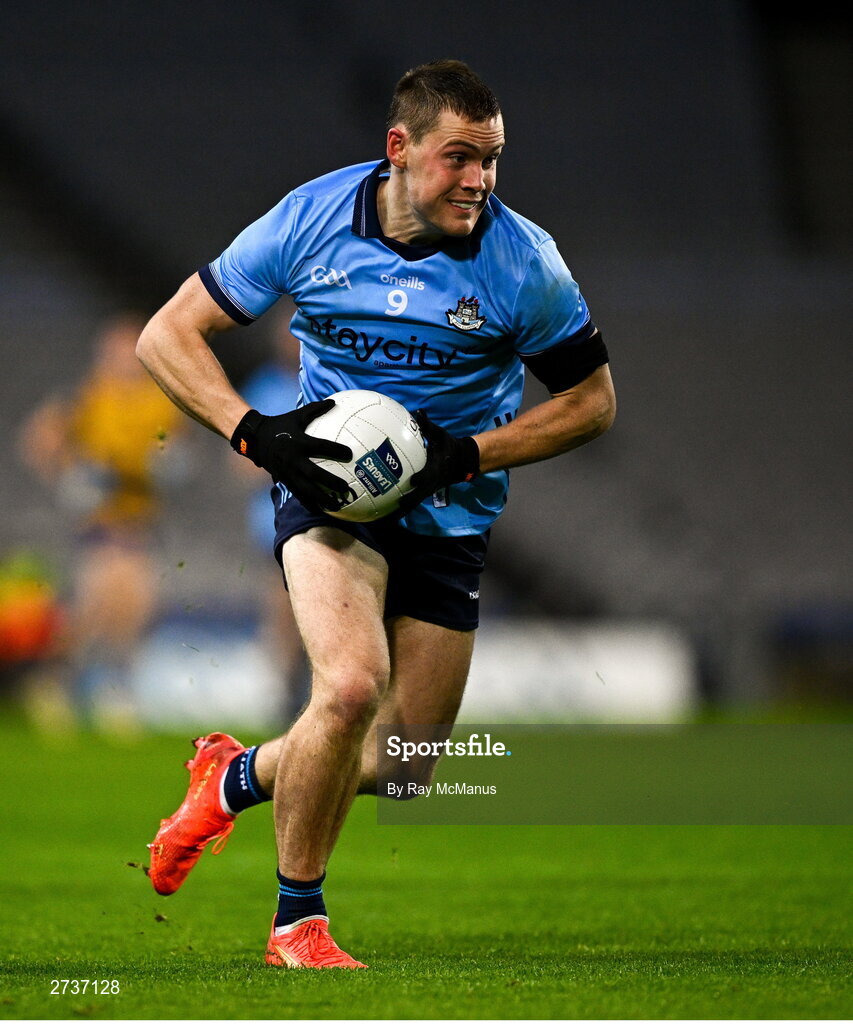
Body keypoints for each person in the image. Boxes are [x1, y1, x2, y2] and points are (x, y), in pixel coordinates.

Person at [138, 59, 616, 969]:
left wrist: (463, 454)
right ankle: (297, 925)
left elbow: (592, 405)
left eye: (493, 159)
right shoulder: (311, 219)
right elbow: (167, 335)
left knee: (401, 768)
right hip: (329, 498)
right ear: (398, 150)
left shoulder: (525, 263)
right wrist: (256, 435)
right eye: (459, 158)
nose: (479, 179)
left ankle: (230, 778)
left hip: (453, 511)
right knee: (349, 688)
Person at [19, 312, 187, 733]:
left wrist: (163, 464)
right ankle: (58, 683)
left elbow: (177, 451)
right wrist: (69, 475)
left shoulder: (159, 400)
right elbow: (39, 439)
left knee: (134, 606)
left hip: (140, 517)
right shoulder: (89, 395)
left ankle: (112, 687)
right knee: (95, 605)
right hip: (99, 520)